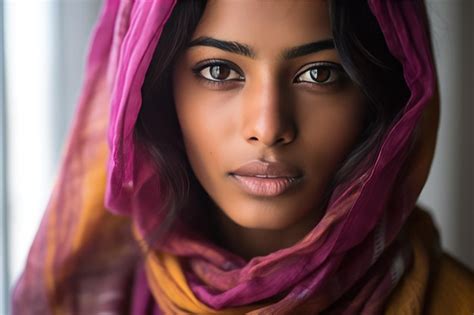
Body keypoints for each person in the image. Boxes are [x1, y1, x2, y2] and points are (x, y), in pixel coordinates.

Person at [12, 0, 474, 314]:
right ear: (151, 89)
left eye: (319, 73)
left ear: (385, 97)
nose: (268, 127)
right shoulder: (86, 300)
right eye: (219, 70)